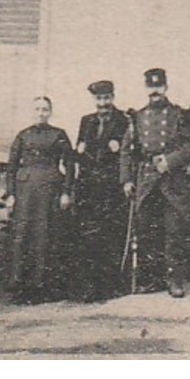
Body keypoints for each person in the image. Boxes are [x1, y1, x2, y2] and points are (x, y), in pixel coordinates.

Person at [121, 67, 190, 297]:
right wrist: (126, 179)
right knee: (147, 231)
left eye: (159, 86)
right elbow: (126, 151)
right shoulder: (137, 117)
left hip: (173, 181)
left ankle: (175, 280)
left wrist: (171, 161)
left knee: (175, 232)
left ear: (165, 87)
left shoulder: (180, 115)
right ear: (146, 88)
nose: (155, 91)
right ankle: (152, 279)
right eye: (151, 86)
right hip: (146, 180)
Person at [5, 96, 74, 304]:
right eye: (37, 109)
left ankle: (42, 285)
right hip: (25, 190)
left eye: (45, 109)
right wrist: (11, 194)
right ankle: (19, 285)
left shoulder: (58, 134)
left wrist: (66, 192)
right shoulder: (22, 135)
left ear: (50, 112)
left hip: (49, 189)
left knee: (44, 235)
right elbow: (11, 166)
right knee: (22, 235)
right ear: (32, 111)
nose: (41, 113)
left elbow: (70, 165)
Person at [70, 79, 130, 302]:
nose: (103, 103)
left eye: (106, 98)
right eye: (99, 98)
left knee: (111, 235)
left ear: (113, 97)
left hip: (112, 188)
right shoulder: (86, 121)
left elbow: (127, 154)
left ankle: (110, 286)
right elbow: (80, 151)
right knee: (88, 237)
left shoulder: (124, 120)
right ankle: (89, 285)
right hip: (89, 187)